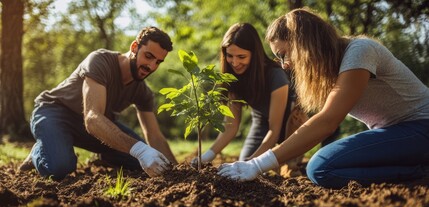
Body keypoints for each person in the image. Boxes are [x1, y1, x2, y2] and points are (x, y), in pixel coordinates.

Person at [218, 8, 429, 189]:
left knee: (321, 166)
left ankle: (421, 172)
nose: (283, 65)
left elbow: (328, 121)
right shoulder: (328, 72)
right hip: (399, 132)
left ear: (304, 44)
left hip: (420, 127)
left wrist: (256, 165)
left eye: (284, 54)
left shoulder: (360, 51)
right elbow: (310, 125)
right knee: (322, 168)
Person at [19, 26, 177, 180]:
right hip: (55, 113)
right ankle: (39, 151)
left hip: (93, 129)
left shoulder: (142, 91)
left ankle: (105, 156)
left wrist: (175, 170)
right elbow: (92, 118)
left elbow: (155, 137)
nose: (151, 66)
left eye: (158, 62)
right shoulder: (100, 61)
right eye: (148, 56)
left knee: (139, 163)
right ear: (135, 47)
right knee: (60, 167)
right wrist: (140, 150)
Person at [191, 23, 295, 169]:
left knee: (279, 165)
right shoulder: (232, 78)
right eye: (230, 56)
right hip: (261, 121)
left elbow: (274, 129)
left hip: (291, 123)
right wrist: (207, 156)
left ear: (254, 54)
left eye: (241, 56)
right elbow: (231, 127)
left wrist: (251, 163)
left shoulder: (275, 75)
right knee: (245, 160)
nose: (235, 62)